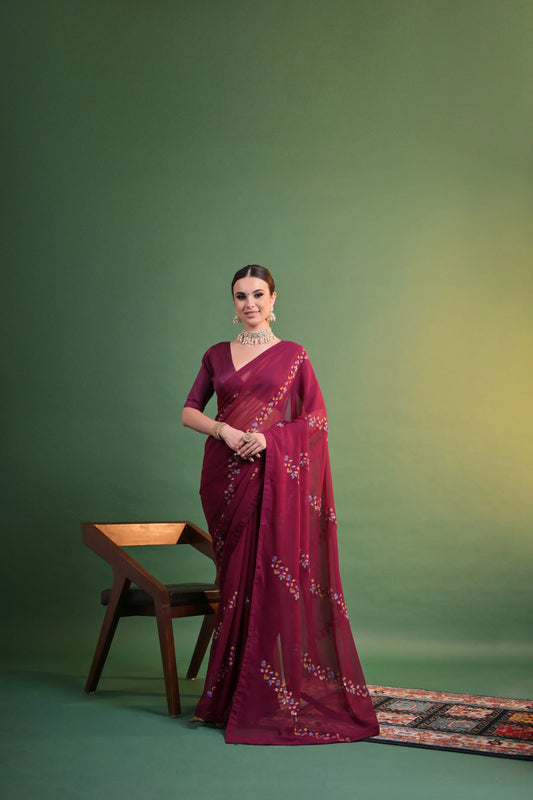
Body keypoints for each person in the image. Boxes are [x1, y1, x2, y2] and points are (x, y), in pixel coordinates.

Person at [181, 265, 379, 745]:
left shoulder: (293, 356)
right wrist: (224, 430)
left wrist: (270, 441)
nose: (249, 303)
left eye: (258, 295)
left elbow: (315, 420)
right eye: (240, 296)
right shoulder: (215, 355)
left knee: (269, 578)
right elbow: (189, 411)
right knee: (233, 582)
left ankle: (264, 694)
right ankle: (224, 698)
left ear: (274, 300)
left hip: (271, 476)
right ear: (233, 305)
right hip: (224, 479)